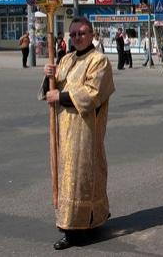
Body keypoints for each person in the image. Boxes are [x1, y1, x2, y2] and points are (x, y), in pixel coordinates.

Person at [40, 17, 115, 250]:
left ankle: (75, 230)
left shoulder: (99, 61)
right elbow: (49, 91)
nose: (77, 38)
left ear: (92, 34)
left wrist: (60, 97)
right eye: (72, 35)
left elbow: (93, 94)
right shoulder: (66, 59)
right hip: (65, 128)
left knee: (82, 175)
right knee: (69, 175)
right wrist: (48, 76)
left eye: (81, 33)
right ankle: (89, 219)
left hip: (85, 129)